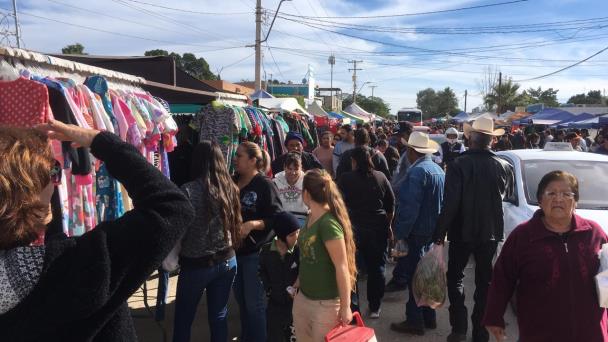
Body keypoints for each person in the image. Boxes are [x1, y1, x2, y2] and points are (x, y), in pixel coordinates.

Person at [0, 120, 194, 341]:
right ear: (26, 197)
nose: (56, 180)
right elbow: (171, 208)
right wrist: (101, 142)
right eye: (51, 172)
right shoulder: (73, 268)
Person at [483, 171, 608, 342]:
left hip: (590, 330)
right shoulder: (523, 235)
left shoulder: (593, 232)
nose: (558, 199)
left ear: (575, 201)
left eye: (566, 194)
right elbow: (502, 278)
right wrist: (494, 316)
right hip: (539, 331)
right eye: (551, 193)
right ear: (541, 200)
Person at [433, 117, 514, 342]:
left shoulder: (458, 164)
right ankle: (480, 333)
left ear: (469, 138)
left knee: (456, 278)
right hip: (490, 232)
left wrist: (440, 232)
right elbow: (504, 198)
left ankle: (459, 328)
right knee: (485, 283)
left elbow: (450, 203)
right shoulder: (504, 166)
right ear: (492, 141)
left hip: (461, 231)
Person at [173, 141, 242, 342]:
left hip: (196, 264)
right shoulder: (230, 188)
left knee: (183, 319)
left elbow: (180, 230)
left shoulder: (188, 190)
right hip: (227, 259)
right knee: (219, 316)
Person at [390, 132, 446, 336]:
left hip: (417, 232)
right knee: (428, 275)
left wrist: (399, 233)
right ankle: (428, 317)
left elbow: (408, 210)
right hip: (432, 231)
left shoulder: (417, 173)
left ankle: (415, 320)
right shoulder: (438, 170)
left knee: (416, 277)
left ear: (412, 151)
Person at [292, 169, 357, 341]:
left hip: (326, 306)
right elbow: (310, 255)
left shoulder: (328, 224)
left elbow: (342, 266)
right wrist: (299, 281)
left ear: (306, 193)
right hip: (304, 298)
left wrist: (345, 306)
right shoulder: (311, 216)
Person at [233, 142, 283, 342]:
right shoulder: (232, 181)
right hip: (234, 252)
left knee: (254, 304)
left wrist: (253, 224)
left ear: (253, 160)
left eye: (239, 156)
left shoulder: (265, 184)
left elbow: (276, 217)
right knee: (242, 302)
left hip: (256, 252)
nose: (235, 159)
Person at [338, 147, 395, 318]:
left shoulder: (346, 178)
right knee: (377, 268)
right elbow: (391, 205)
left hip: (353, 229)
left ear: (353, 161)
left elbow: (337, 204)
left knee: (351, 269)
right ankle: (375, 307)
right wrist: (389, 225)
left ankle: (354, 308)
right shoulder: (381, 177)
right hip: (378, 229)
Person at [259, 212, 301, 342]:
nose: (296, 237)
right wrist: (269, 289)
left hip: (295, 306)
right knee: (273, 336)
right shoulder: (266, 252)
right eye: (291, 235)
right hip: (274, 305)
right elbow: (261, 272)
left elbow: (305, 270)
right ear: (281, 236)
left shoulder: (299, 251)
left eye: (298, 232)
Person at [385, 121, 414, 292]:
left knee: (404, 242)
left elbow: (404, 180)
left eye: (400, 135)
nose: (397, 138)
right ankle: (401, 277)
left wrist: (391, 188)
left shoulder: (411, 157)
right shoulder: (405, 153)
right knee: (403, 244)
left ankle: (401, 279)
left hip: (404, 202)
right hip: (400, 200)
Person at [273, 152, 309, 226]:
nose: (293, 172)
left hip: (303, 220)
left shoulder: (308, 181)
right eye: (289, 168)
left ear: (301, 168)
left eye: (296, 169)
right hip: (282, 220)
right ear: (284, 167)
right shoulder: (275, 182)